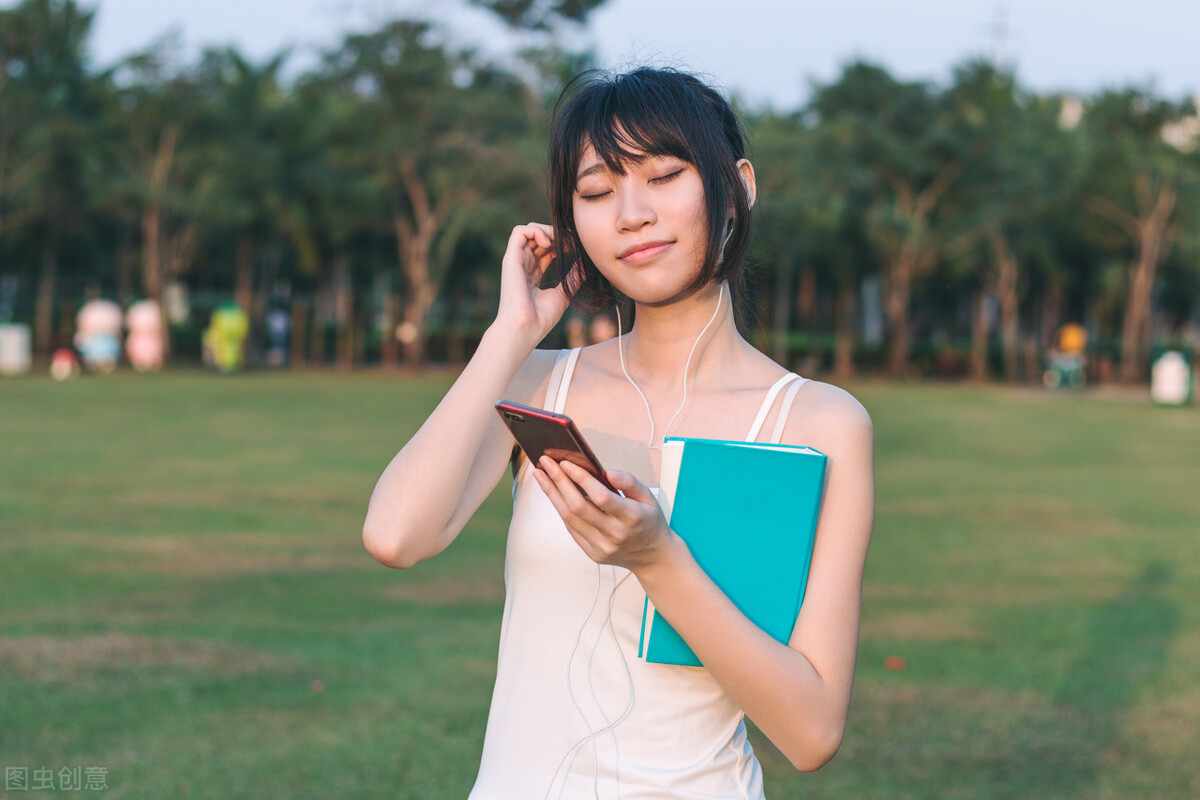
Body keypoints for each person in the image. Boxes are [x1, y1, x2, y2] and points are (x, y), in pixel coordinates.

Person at [363, 67, 875, 799]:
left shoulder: (818, 423)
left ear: (739, 186)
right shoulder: (539, 382)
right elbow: (395, 536)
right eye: (597, 192)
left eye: (665, 176)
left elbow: (812, 731)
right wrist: (511, 334)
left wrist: (656, 558)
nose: (631, 214)